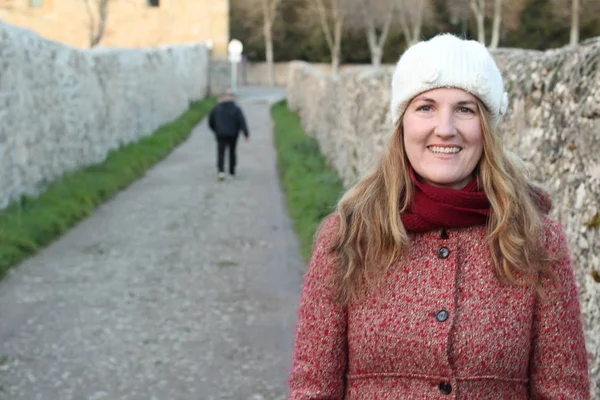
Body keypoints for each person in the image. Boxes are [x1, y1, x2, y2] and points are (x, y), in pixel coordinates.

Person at [287, 34, 590, 399]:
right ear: (402, 124)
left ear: (487, 129)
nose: (445, 128)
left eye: (465, 109)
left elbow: (564, 391)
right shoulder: (348, 236)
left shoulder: (536, 240)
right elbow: (313, 388)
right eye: (426, 107)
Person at [208, 88, 249, 180]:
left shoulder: (216, 108)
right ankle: (231, 171)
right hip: (233, 134)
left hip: (220, 134)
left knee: (221, 152)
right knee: (232, 152)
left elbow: (210, 121)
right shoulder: (236, 109)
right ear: (232, 98)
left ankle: (221, 171)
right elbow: (242, 121)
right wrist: (246, 134)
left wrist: (215, 130)